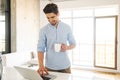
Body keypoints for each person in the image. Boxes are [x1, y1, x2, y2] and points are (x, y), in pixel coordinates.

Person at [37, 3, 76, 76]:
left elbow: (73, 44)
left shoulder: (67, 27)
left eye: (52, 17)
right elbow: (40, 49)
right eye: (48, 18)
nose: (50, 20)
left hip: (65, 67)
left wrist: (67, 47)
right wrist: (41, 65)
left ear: (58, 14)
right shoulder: (43, 30)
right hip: (49, 67)